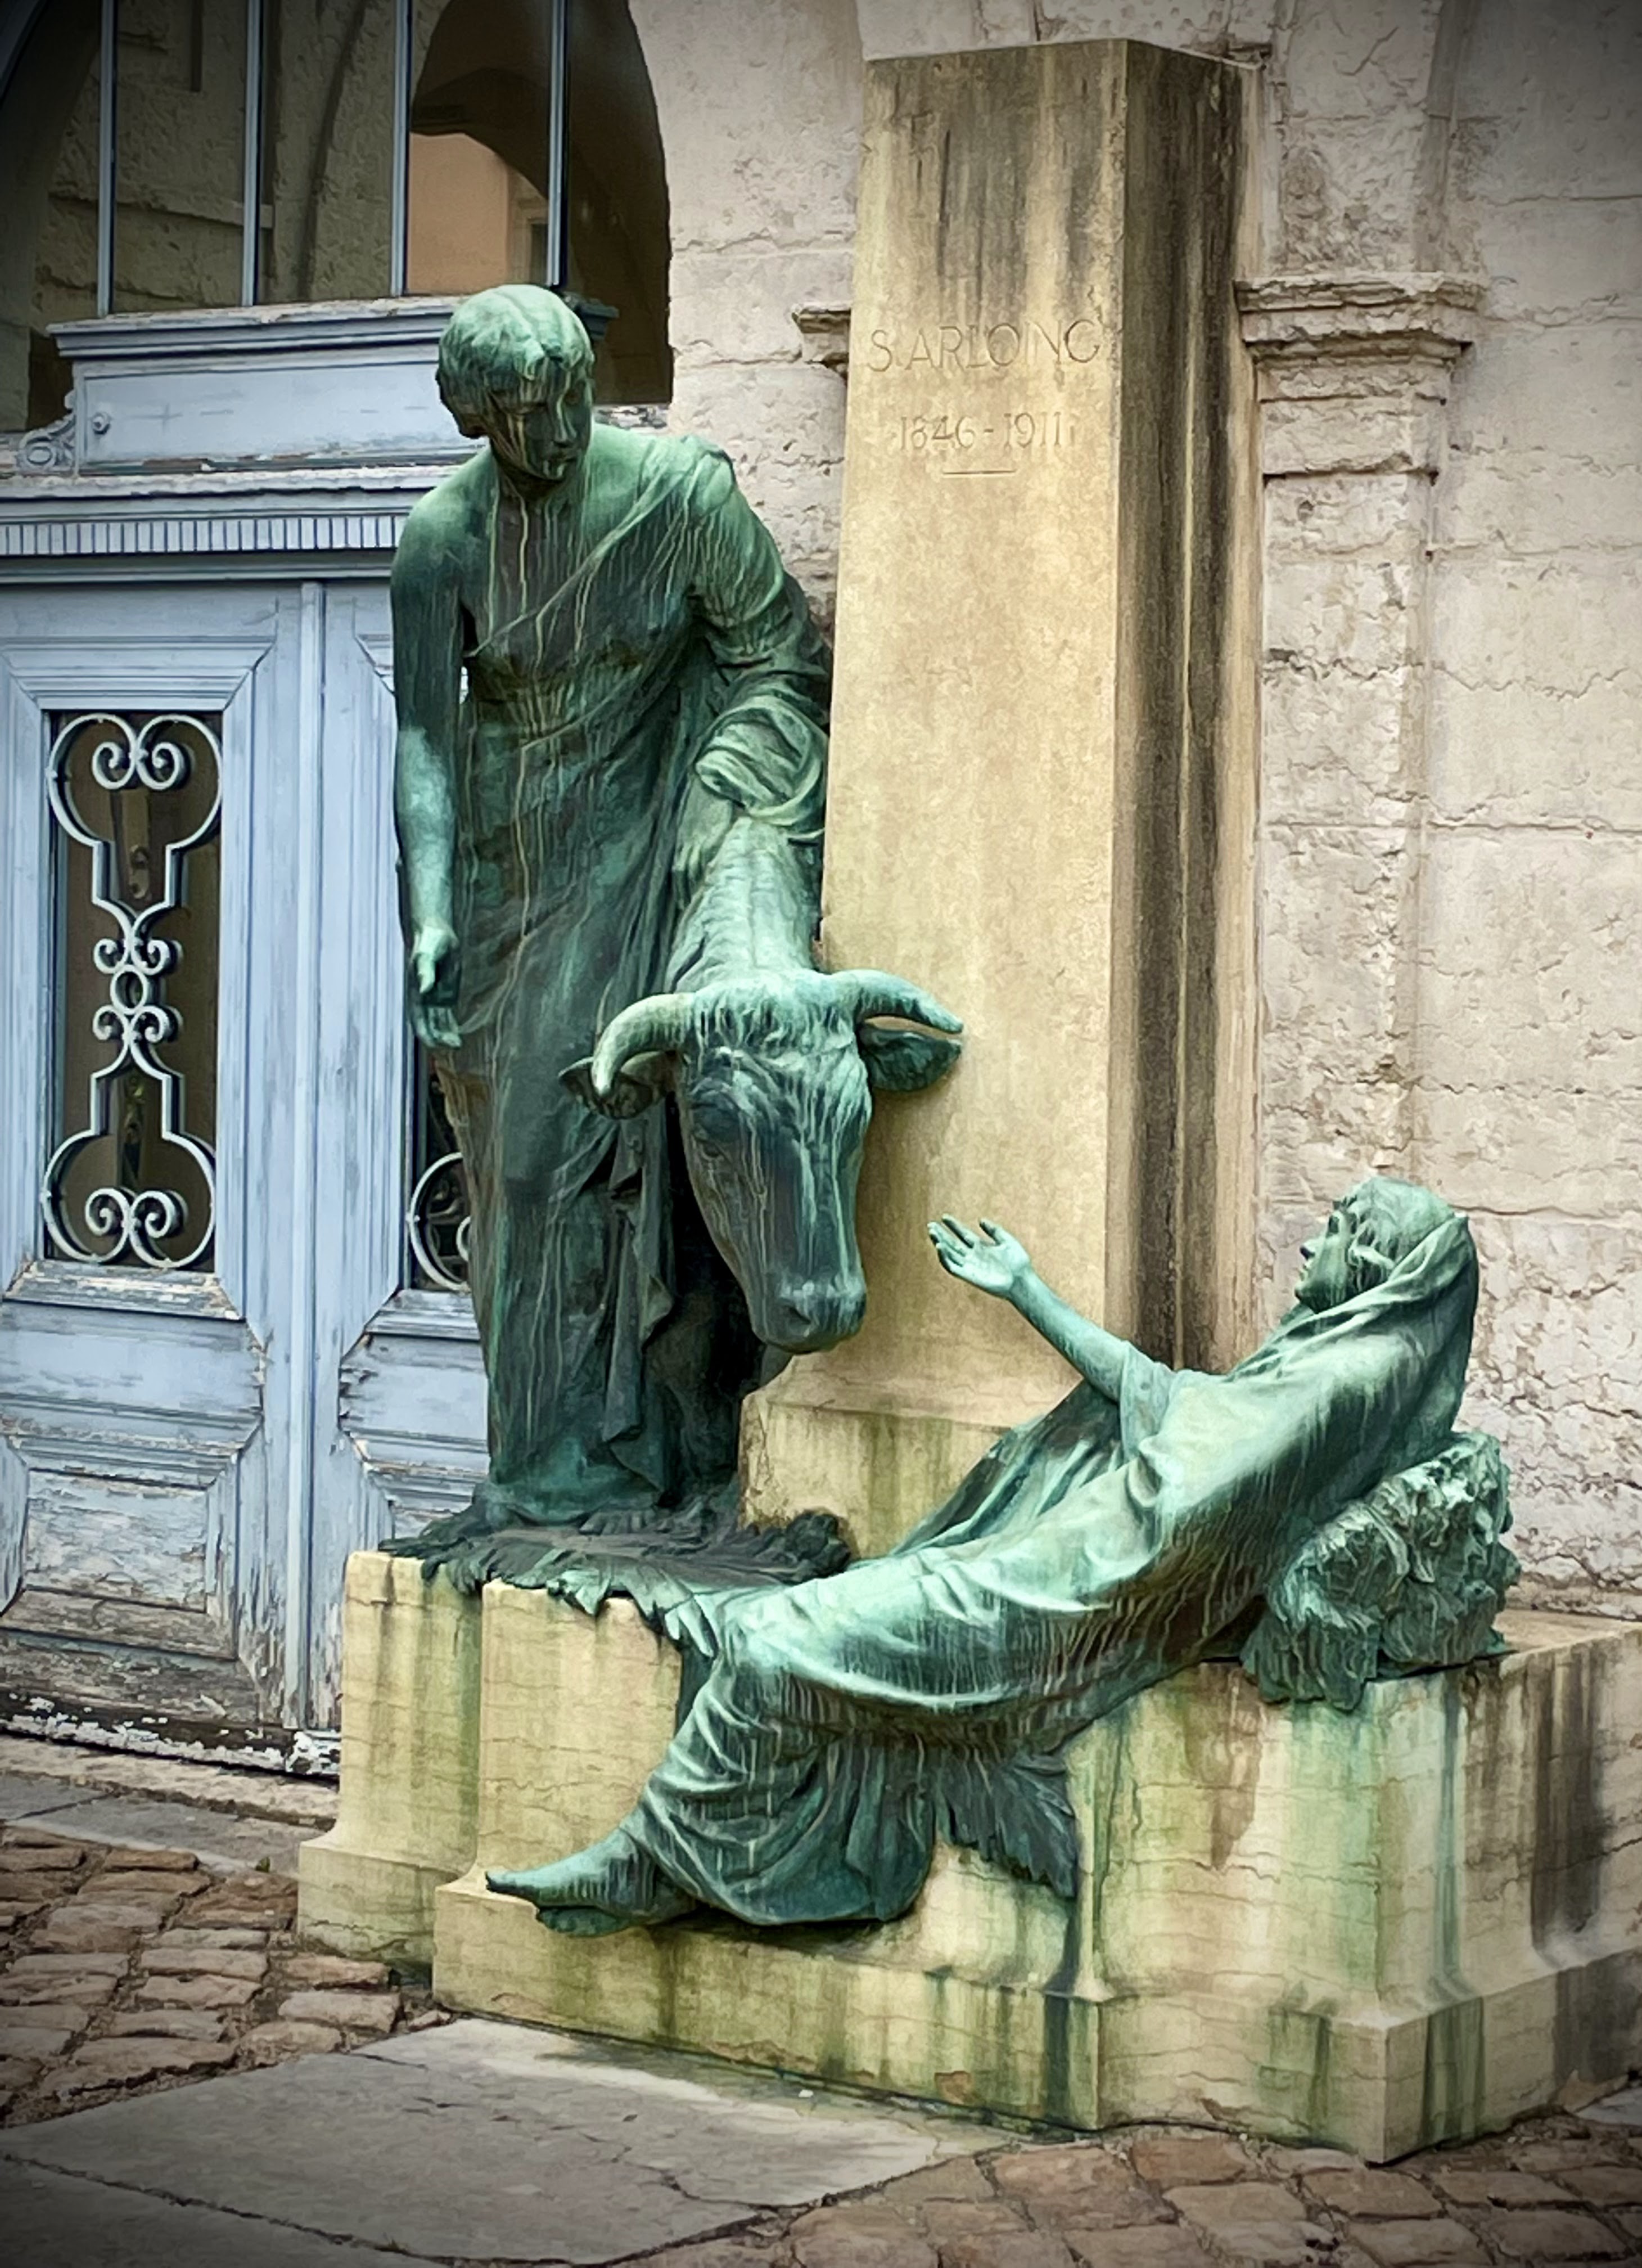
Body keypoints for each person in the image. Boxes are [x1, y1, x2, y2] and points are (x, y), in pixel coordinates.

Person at [489, 1176, 1509, 1936]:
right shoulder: (1330, 1370)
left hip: (1058, 1601)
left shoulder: (1335, 1386)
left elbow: (1183, 1502)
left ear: (1375, 1267)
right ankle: (707, 1856)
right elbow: (1170, 1406)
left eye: (1339, 1229)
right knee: (764, 1627)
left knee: (769, 1639)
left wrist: (1052, 1551)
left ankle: (662, 1863)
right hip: (1046, 1571)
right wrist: (1027, 1292)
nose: (1313, 1243)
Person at [391, 286, 829, 1533]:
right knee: (524, 1175)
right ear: (480, 417)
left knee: (643, 1162)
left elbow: (781, 658)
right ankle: (544, 1465)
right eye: (532, 411)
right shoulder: (442, 542)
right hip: (509, 877)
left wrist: (725, 802)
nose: (565, 428)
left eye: (576, 394)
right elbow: (424, 742)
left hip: (651, 845)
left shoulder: (680, 498)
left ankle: (650, 1453)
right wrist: (431, 911)